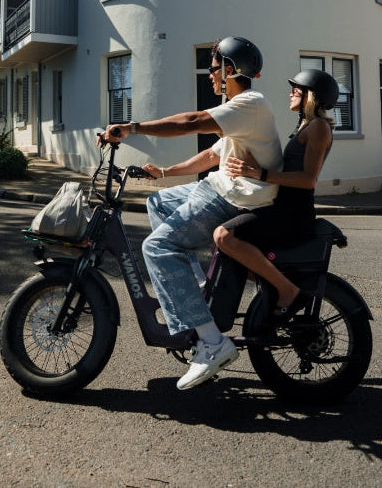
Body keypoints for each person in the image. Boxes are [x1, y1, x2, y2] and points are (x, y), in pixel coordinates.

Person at [99, 36, 282, 390]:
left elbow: (189, 122)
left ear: (230, 69)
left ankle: (212, 342)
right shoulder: (238, 111)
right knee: (158, 202)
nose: (209, 76)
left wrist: (131, 128)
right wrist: (165, 174)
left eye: (213, 69)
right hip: (221, 187)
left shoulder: (249, 103)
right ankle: (195, 289)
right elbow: (212, 156)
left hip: (238, 198)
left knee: (156, 248)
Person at [213, 69, 338, 324]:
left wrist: (259, 173)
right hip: (281, 206)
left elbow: (307, 179)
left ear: (312, 95)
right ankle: (276, 286)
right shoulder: (305, 125)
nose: (291, 92)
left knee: (225, 236)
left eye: (297, 88)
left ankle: (288, 290)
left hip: (292, 213)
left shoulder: (319, 127)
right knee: (232, 253)